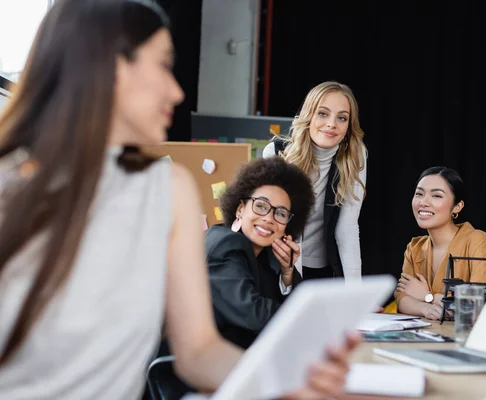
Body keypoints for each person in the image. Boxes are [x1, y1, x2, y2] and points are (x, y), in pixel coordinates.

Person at [0, 1, 360, 399]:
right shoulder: (9, 184)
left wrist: (293, 383)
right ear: (106, 68)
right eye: (162, 66)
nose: (176, 90)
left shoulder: (169, 189)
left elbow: (200, 352)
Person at [263, 81, 367, 283]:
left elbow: (347, 226)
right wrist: (293, 278)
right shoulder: (276, 153)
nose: (332, 124)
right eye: (323, 113)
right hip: (281, 265)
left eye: (342, 118)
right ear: (308, 115)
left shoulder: (356, 154)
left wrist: (355, 292)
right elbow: (277, 223)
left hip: (326, 268)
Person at [206, 156, 314, 349]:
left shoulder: (265, 255)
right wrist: (316, 319)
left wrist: (287, 274)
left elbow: (296, 303)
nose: (268, 218)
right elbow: (254, 313)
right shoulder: (224, 244)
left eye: (280, 213)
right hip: (193, 370)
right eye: (261, 206)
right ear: (240, 209)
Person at [389, 166, 486, 319]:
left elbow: (473, 305)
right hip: (426, 335)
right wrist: (426, 308)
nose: (423, 202)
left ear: (457, 206)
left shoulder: (477, 240)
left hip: (458, 336)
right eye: (419, 194)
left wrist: (427, 296)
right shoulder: (414, 247)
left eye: (436, 196)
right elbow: (402, 299)